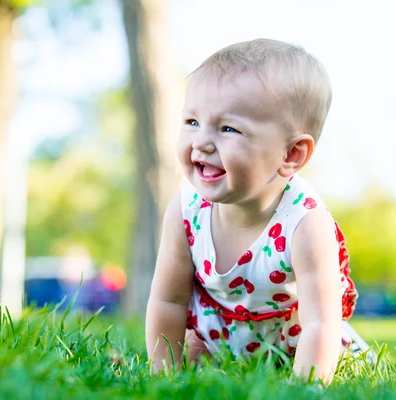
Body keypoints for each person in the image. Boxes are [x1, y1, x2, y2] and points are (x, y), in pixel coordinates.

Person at [145, 38, 370, 383]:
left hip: (295, 344)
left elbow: (320, 323)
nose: (201, 142)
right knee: (196, 360)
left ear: (291, 155)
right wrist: (163, 375)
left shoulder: (305, 223)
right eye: (192, 121)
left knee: (333, 361)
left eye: (228, 128)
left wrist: (304, 387)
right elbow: (168, 303)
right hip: (217, 339)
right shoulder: (185, 210)